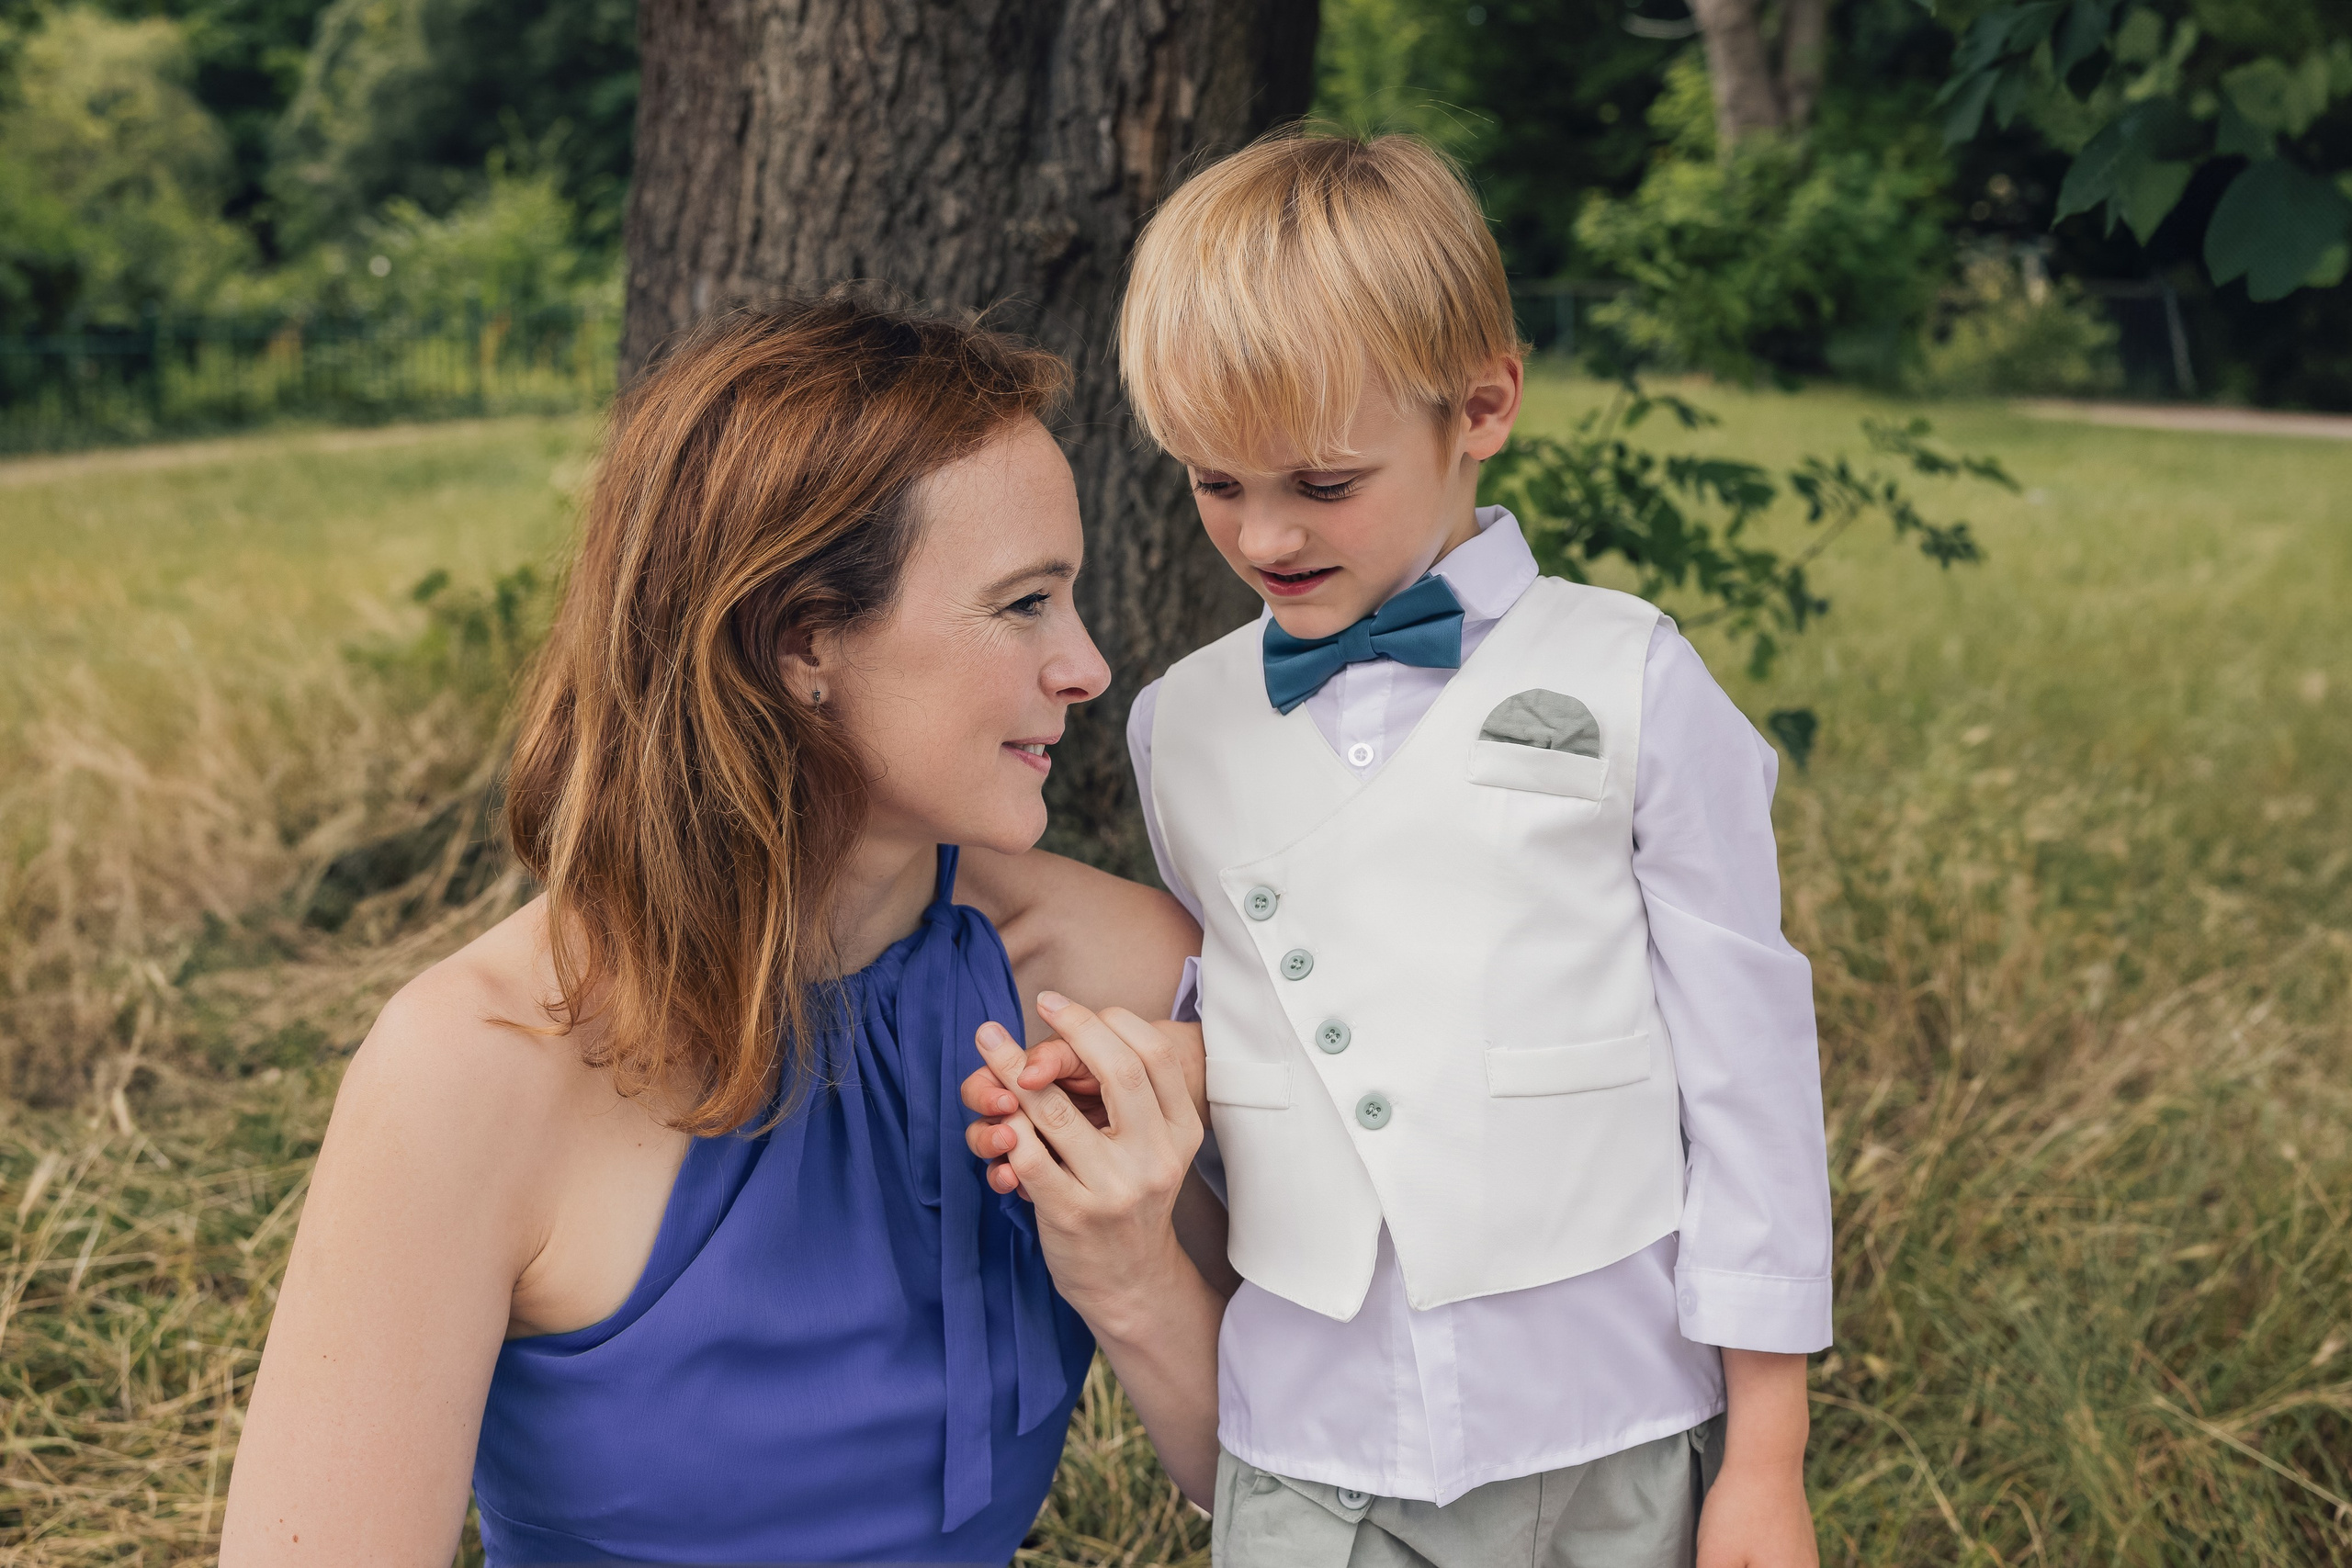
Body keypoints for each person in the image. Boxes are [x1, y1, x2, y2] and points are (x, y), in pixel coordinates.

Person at [220, 295, 1232, 1566]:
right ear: (805, 640)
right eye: (1024, 603)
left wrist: (1135, 1275)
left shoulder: (1111, 982)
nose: (1087, 666)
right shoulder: (472, 1069)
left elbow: (1292, 1497)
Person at [968, 130, 1833, 1567]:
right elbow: (1274, 1009)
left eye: (1320, 480)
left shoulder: (1630, 676)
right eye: (1214, 482)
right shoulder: (1181, 724)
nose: (1261, 532)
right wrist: (1166, 1065)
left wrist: (1767, 1459)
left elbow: (1750, 1077)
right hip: (1312, 1446)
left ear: (1481, 403)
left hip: (1609, 1421)